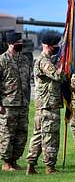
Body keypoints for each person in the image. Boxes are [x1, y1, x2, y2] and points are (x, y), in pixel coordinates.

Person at [26, 32, 65, 174]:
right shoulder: (44, 61)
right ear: (49, 46)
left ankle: (30, 165)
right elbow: (57, 76)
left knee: (38, 135)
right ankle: (50, 167)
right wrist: (63, 64)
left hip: (43, 105)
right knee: (50, 136)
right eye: (56, 45)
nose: (58, 47)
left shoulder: (45, 60)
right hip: (48, 105)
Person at [0, 32, 31, 171]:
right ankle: (6, 163)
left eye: (21, 42)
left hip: (23, 103)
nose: (21, 44)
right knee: (7, 134)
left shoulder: (24, 59)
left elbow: (28, 82)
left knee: (21, 134)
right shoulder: (2, 60)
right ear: (10, 43)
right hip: (8, 104)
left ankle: (14, 160)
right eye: (18, 42)